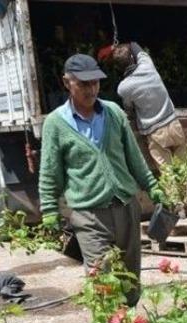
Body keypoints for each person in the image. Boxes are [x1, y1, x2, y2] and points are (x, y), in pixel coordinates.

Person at [38, 53, 166, 307]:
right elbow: (49, 171)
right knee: (102, 279)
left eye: (95, 83)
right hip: (89, 215)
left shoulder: (114, 113)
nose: (91, 89)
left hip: (126, 207)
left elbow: (134, 157)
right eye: (83, 84)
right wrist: (49, 210)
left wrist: (152, 187)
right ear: (67, 83)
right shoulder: (55, 123)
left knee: (130, 279)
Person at [111, 42, 187, 216]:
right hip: (174, 124)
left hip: (154, 132)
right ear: (132, 58)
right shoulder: (148, 66)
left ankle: (178, 207)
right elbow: (137, 48)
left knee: (166, 171)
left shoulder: (123, 88)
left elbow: (129, 111)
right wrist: (129, 44)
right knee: (184, 166)